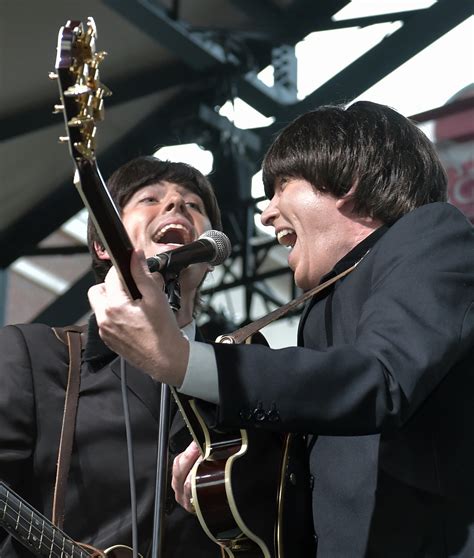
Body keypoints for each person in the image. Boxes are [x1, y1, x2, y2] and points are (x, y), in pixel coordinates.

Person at [89, 102, 474, 557]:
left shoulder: (432, 234)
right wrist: (234, 456)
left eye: (279, 189)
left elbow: (379, 379)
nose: (266, 214)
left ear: (345, 183)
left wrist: (181, 358)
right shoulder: (320, 310)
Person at [0, 156, 222, 557]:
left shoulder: (240, 377)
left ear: (209, 258)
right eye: (150, 198)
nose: (176, 205)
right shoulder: (32, 356)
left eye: (195, 205)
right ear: (103, 245)